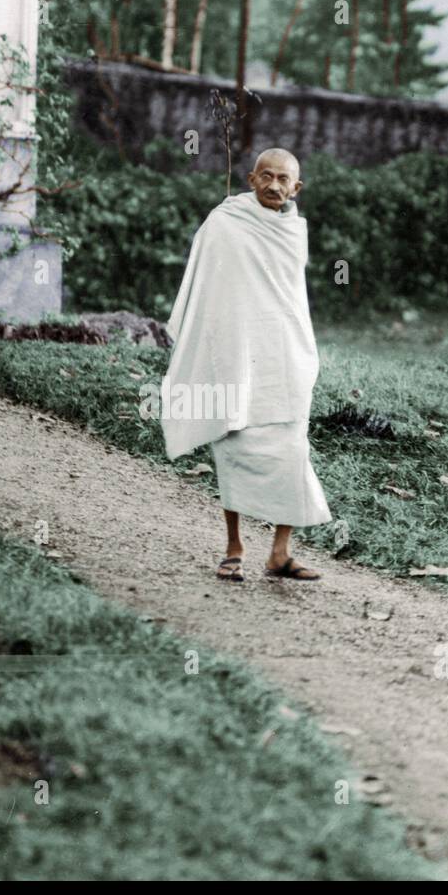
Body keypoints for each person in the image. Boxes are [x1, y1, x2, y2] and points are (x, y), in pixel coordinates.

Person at [160, 147, 331, 582]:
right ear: (252, 179)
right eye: (267, 176)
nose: (275, 186)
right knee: (234, 442)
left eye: (284, 179)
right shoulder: (225, 222)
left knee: (292, 449)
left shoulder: (294, 231)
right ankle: (233, 546)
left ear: (297, 187)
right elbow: (209, 279)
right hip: (238, 348)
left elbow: (291, 295)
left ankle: (280, 552)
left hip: (285, 351)